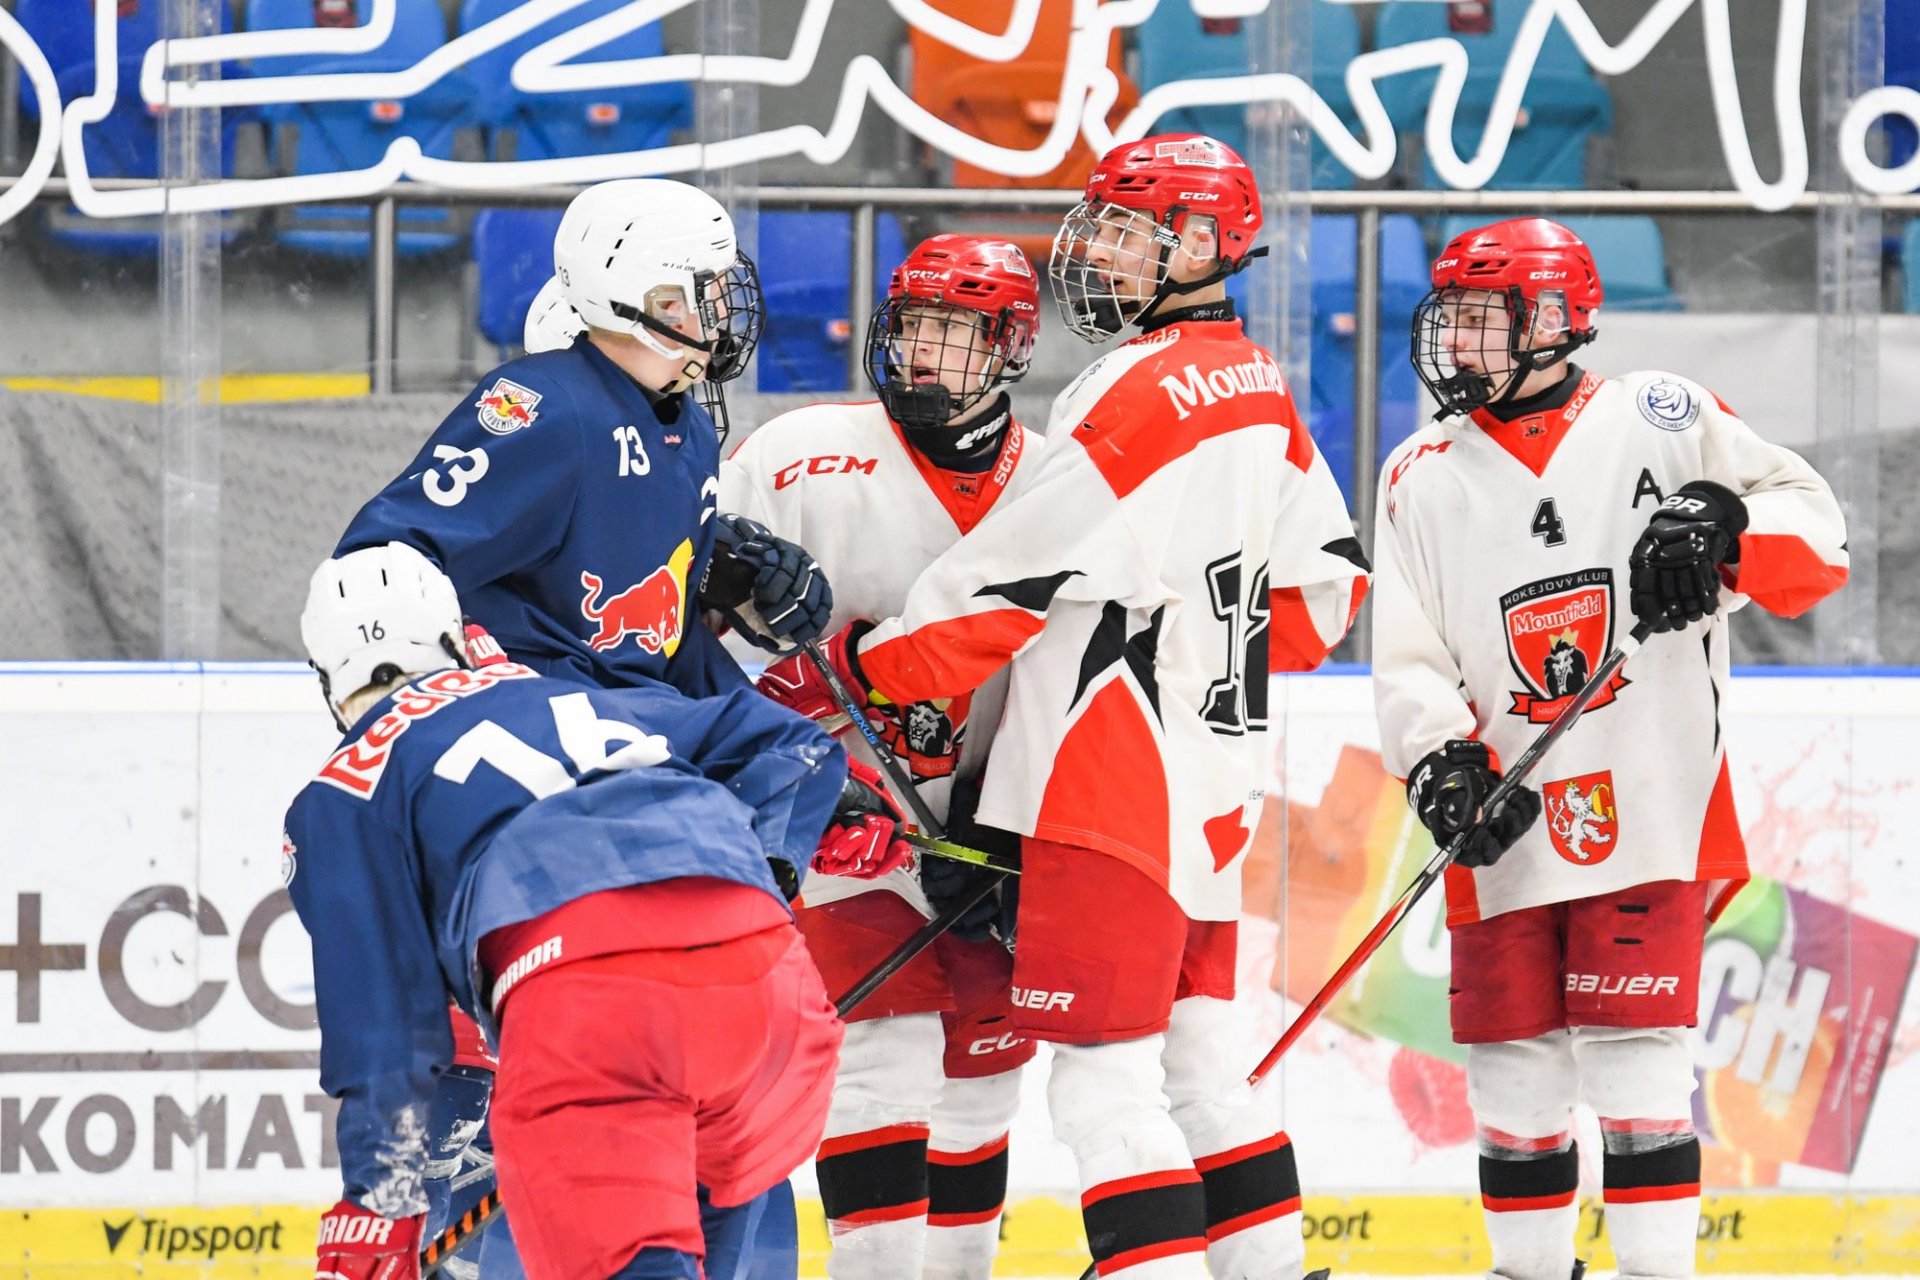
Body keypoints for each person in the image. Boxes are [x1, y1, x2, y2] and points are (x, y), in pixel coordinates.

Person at [760, 134, 1369, 1280]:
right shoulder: (1259, 382)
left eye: (1130, 236)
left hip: (1107, 786)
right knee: (1204, 1060)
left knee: (1103, 1083)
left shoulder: (1140, 388)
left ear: (1203, 243)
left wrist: (870, 665)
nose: (1100, 254)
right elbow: (1320, 599)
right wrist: (1193, 645)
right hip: (1212, 785)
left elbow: (1011, 582)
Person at [1372, 217, 1849, 1280]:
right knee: (1511, 1072)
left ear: (1554, 319)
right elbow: (1406, 653)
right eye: (1452, 317)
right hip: (1506, 819)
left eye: (1484, 319)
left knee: (1639, 1064)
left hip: (1649, 798)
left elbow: (1818, 532)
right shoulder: (1417, 471)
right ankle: (1528, 1271)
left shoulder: (1660, 415)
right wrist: (1440, 759)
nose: (1458, 342)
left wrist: (1722, 522)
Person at [283, 543, 912, 1280]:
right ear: (457, 640)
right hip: (773, 1000)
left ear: (329, 684)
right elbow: (791, 747)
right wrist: (773, 857)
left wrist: (380, 1203)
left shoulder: (342, 793)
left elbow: (384, 1025)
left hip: (594, 1015)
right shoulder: (571, 697)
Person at [725, 234, 1045, 1280]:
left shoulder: (1057, 482)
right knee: (877, 1063)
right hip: (841, 824)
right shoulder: (798, 456)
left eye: (955, 333)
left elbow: (1080, 683)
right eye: (914, 327)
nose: (924, 353)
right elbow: (696, 641)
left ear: (1010, 348)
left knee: (983, 1081)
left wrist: (1015, 828)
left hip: (995, 834)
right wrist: (812, 786)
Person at [336, 178, 831, 702]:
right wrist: (466, 675)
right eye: (710, 294)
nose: (725, 313)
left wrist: (717, 572)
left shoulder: (692, 429)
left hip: (643, 707)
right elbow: (384, 556)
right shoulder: (552, 406)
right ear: (658, 306)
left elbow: (669, 645)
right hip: (569, 716)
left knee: (805, 753)